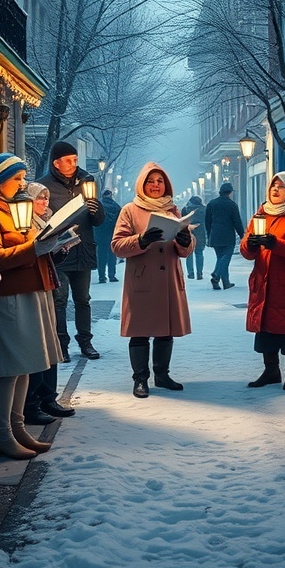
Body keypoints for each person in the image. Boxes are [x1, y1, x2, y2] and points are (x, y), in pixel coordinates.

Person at [0, 154, 66, 460]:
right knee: (10, 367)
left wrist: (51, 242)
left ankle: (18, 428)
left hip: (30, 290)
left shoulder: (15, 206)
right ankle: (3, 434)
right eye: (16, 179)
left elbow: (27, 243)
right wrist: (35, 247)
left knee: (26, 364)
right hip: (9, 297)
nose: (22, 184)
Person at [111, 162, 195, 398]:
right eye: (151, 181)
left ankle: (162, 374)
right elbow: (117, 246)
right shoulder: (129, 210)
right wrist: (142, 240)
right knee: (140, 332)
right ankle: (140, 379)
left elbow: (186, 249)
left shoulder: (173, 210)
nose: (155, 185)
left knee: (165, 331)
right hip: (143, 281)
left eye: (160, 181)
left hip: (168, 279)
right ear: (142, 184)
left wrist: (185, 240)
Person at [240, 172, 285, 391]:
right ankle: (271, 371)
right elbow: (246, 250)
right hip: (263, 282)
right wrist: (251, 244)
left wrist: (275, 243)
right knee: (265, 330)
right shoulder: (261, 215)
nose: (275, 189)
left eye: (281, 186)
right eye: (273, 185)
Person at [39, 142, 105, 360]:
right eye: (69, 160)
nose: (74, 163)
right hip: (59, 252)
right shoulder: (44, 186)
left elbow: (99, 220)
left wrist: (96, 210)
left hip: (83, 250)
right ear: (56, 163)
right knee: (59, 299)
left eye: (75, 159)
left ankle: (86, 342)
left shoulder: (87, 182)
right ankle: (61, 344)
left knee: (83, 299)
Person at [23, 181, 76, 425]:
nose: (44, 203)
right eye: (39, 199)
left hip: (48, 284)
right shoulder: (25, 221)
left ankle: (48, 396)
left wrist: (61, 249)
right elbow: (29, 252)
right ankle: (34, 400)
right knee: (39, 344)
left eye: (46, 198)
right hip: (34, 286)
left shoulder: (45, 221)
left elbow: (47, 255)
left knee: (50, 342)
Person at [205, 182, 244, 289]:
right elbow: (237, 221)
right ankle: (216, 275)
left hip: (215, 235)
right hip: (227, 235)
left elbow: (207, 221)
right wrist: (242, 234)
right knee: (226, 257)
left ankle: (224, 282)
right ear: (230, 193)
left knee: (220, 258)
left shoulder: (211, 204)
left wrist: (209, 234)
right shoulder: (232, 205)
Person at [95, 189, 122, 283]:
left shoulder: (98, 205)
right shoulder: (116, 206)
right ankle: (112, 275)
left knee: (101, 257)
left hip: (100, 236)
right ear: (111, 195)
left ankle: (102, 276)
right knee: (112, 256)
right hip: (112, 234)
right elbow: (121, 221)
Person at [181, 195, 206, 279]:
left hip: (188, 232)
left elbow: (181, 221)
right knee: (199, 253)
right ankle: (199, 273)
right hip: (200, 232)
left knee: (189, 253)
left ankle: (190, 273)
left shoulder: (185, 209)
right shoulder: (203, 210)